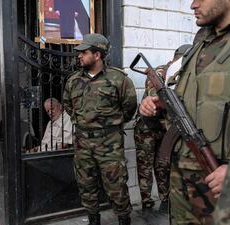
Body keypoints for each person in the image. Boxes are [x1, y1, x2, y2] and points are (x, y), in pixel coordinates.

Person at [139, 0, 230, 224]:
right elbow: (189, 100)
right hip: (182, 183)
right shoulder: (198, 46)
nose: (192, 4)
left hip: (219, 186)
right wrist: (158, 106)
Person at [63, 33, 137, 225]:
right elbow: (68, 106)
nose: (79, 56)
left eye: (84, 52)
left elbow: (129, 108)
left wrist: (109, 126)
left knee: (116, 185)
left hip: (109, 144)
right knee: (86, 184)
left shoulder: (119, 79)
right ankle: (93, 220)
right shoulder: (73, 81)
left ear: (97, 55)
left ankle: (123, 219)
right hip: (82, 143)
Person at [133, 44, 191, 212]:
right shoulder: (161, 71)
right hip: (146, 128)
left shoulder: (184, 74)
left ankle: (165, 199)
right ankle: (147, 202)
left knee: (163, 164)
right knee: (145, 165)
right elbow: (154, 94)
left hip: (164, 129)